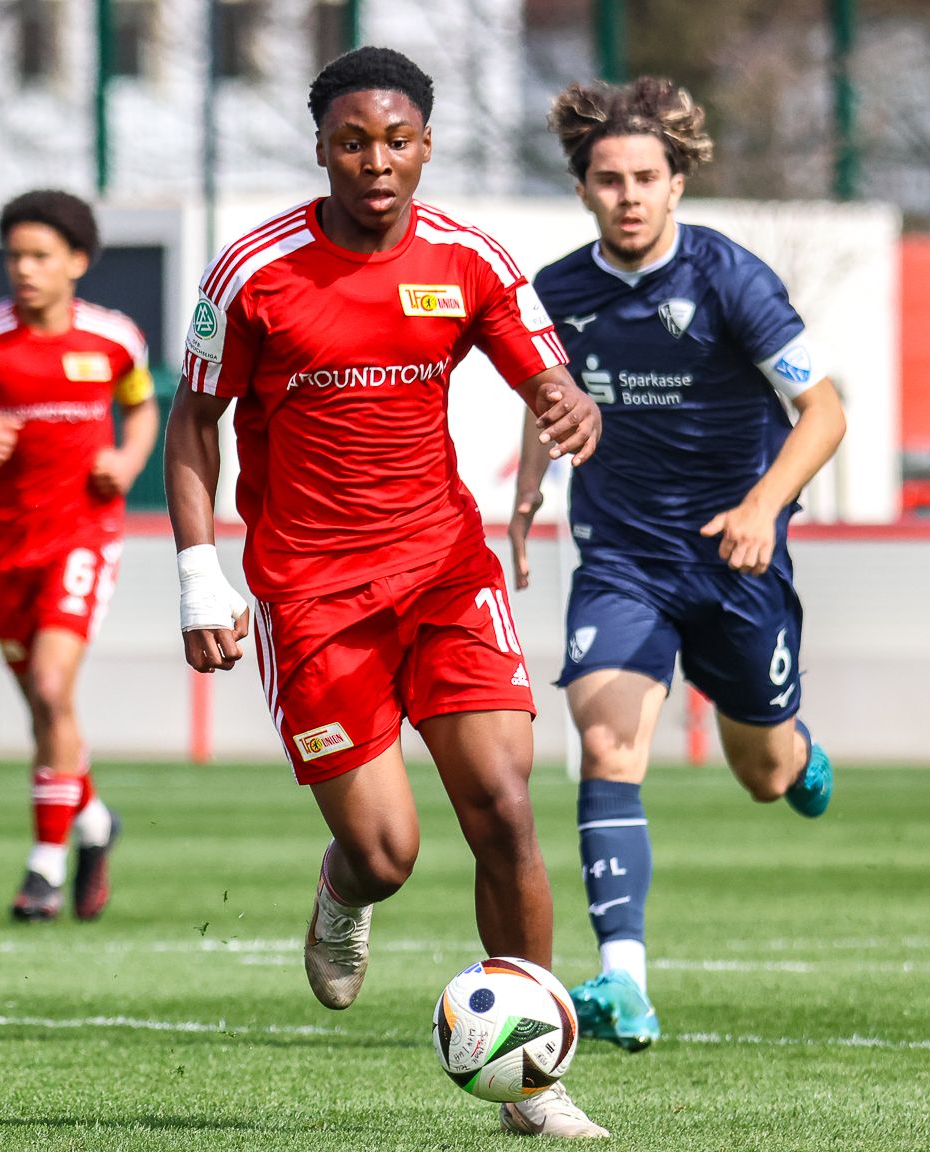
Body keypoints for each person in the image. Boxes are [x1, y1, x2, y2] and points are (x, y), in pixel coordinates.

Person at [166, 47, 608, 1139]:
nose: (377, 162)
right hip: (314, 597)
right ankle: (345, 890)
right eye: (354, 142)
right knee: (386, 853)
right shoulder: (252, 273)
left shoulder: (468, 259)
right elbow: (193, 424)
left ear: (426, 146)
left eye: (397, 141)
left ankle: (533, 1085)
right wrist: (198, 577)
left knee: (504, 809)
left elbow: (544, 373)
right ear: (321, 148)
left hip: (446, 574)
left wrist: (569, 403)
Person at [510, 78, 847, 1054]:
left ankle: (797, 751)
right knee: (607, 746)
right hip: (622, 559)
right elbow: (546, 395)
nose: (628, 196)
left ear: (677, 182)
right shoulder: (557, 292)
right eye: (609, 179)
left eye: (645, 178)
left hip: (735, 562)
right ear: (584, 188)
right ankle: (625, 980)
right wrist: (528, 492)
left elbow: (824, 412)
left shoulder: (731, 280)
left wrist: (762, 506)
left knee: (765, 774)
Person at [0, 191, 157, 922]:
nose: (25, 269)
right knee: (45, 707)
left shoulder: (114, 338)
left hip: (83, 537)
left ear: (76, 262)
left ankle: (44, 867)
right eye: (15, 256)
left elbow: (142, 405)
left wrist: (129, 459)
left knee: (52, 687)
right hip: (1, 547)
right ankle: (94, 822)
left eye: (41, 256)